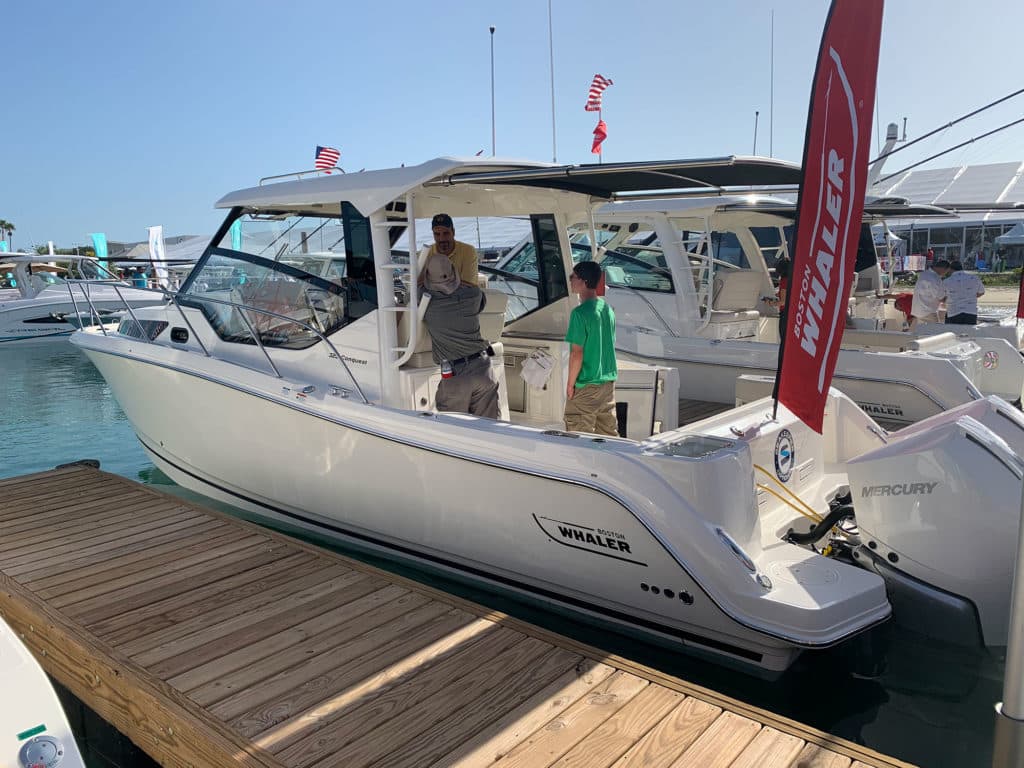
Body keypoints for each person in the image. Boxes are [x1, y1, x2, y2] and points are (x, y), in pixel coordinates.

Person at [421, 252, 499, 418]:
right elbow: (477, 296)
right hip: (483, 367)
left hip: (456, 376)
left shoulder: (426, 303)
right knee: (489, 430)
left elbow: (410, 297)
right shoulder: (473, 294)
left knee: (454, 432)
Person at [564, 261, 618, 436]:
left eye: (573, 276)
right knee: (608, 438)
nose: (570, 279)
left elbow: (576, 354)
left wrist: (570, 384)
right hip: (607, 386)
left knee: (578, 440)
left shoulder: (579, 314)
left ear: (584, 281)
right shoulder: (608, 310)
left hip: (586, 386)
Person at [426, 213, 478, 287]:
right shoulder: (425, 254)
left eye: (446, 233)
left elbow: (469, 287)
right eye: (437, 234)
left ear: (453, 232)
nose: (442, 239)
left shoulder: (468, 251)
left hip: (461, 298)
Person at [909, 258, 950, 329]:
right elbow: (941, 298)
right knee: (936, 334)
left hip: (917, 311)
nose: (945, 274)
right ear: (943, 269)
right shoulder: (935, 278)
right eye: (946, 272)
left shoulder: (924, 274)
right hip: (928, 311)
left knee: (920, 334)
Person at [943, 260, 985, 325]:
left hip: (953, 311)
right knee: (969, 333)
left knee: (952, 333)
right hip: (970, 311)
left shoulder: (946, 281)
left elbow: (942, 296)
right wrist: (970, 296)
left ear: (950, 269)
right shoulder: (974, 278)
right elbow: (981, 292)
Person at [770, 254, 791, 340]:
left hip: (785, 314)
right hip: (791, 313)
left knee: (783, 338)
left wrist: (771, 303)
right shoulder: (793, 279)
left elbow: (783, 302)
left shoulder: (784, 280)